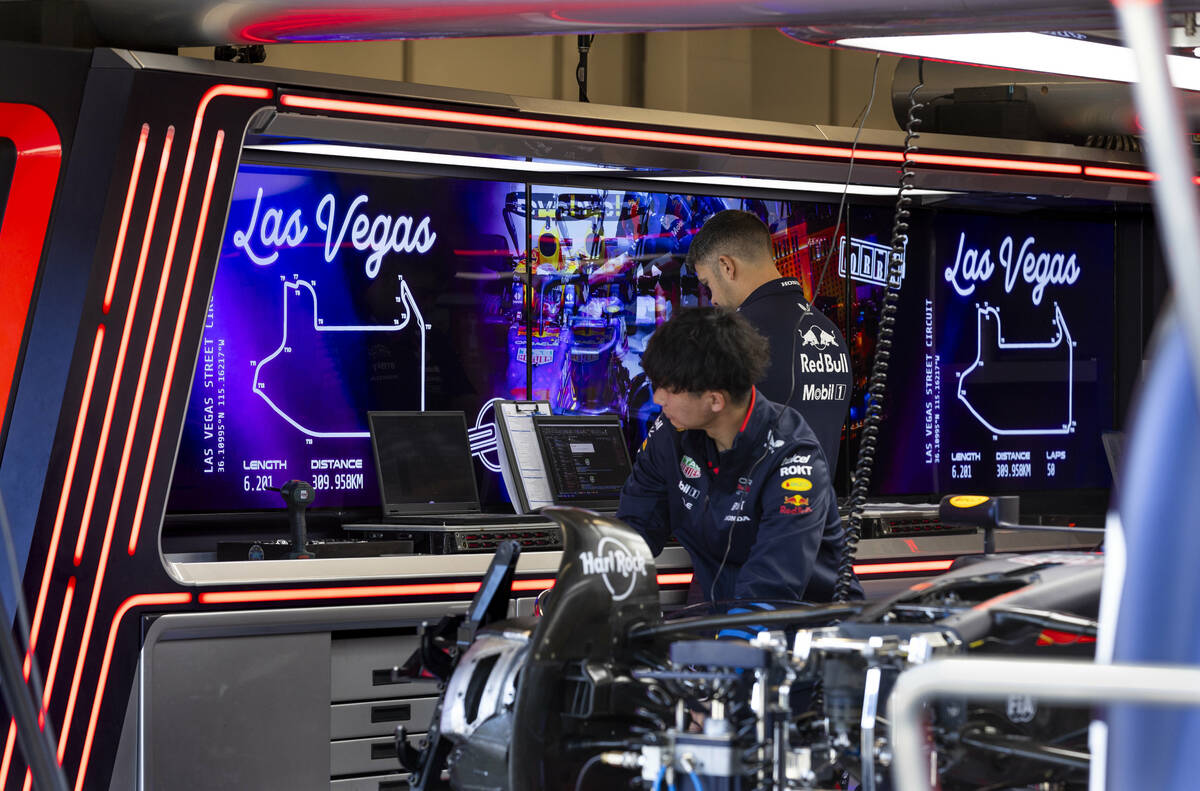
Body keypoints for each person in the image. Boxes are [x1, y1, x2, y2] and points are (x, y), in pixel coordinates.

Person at [617, 307, 861, 603]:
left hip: (809, 628)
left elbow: (773, 584)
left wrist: (731, 640)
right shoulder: (671, 435)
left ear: (715, 400)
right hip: (726, 619)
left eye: (668, 389)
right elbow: (632, 531)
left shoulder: (794, 456)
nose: (657, 399)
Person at [686, 210, 852, 472]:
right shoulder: (831, 333)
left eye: (708, 284)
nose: (713, 299)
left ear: (727, 267)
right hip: (816, 508)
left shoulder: (733, 337)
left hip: (753, 510)